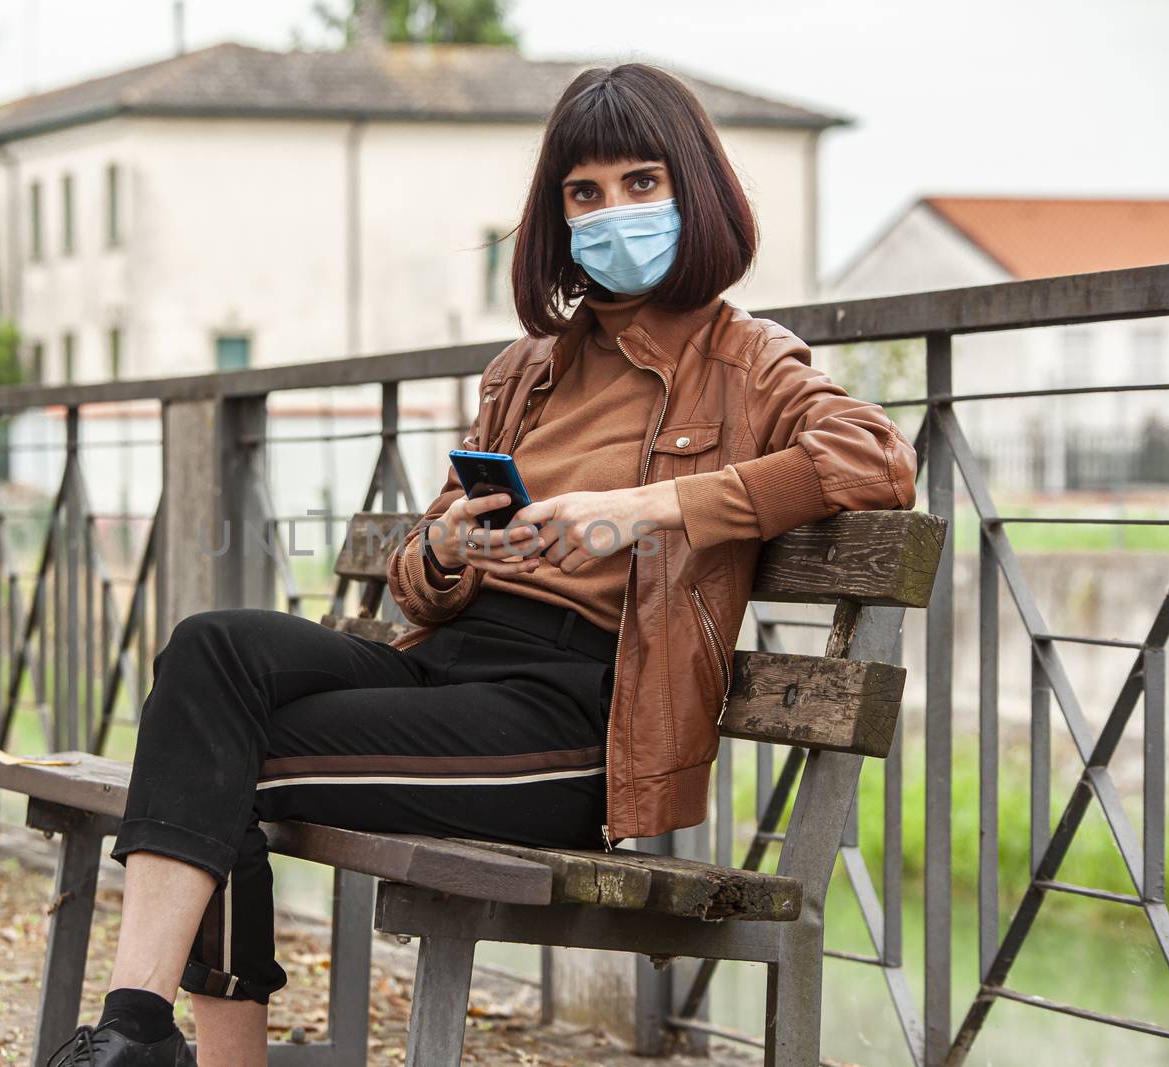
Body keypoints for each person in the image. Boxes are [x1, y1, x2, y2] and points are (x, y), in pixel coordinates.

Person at [49, 62, 918, 1067]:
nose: (610, 213)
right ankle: (138, 1031)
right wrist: (449, 548)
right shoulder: (524, 369)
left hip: (573, 716)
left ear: (696, 192)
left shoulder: (748, 361)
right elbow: (416, 578)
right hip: (447, 664)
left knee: (211, 759)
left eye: (641, 183)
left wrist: (644, 508)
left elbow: (875, 457)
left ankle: (146, 1045)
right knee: (212, 653)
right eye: (582, 192)